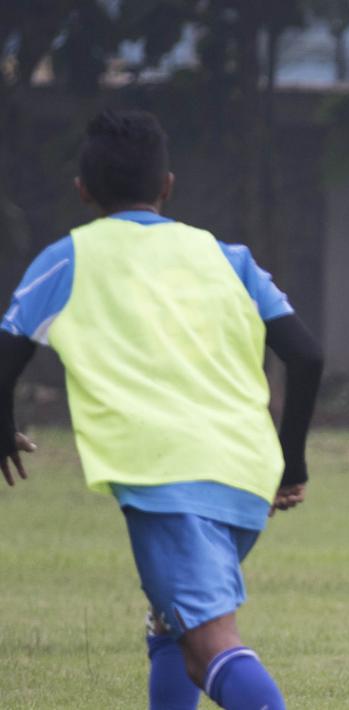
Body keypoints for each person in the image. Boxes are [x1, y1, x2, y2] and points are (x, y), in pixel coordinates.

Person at [0, 109, 324, 709]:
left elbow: (5, 352)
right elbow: (305, 356)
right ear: (166, 186)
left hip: (165, 476)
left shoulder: (69, 257)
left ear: (83, 191)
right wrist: (292, 461)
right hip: (245, 474)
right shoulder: (228, 258)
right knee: (172, 624)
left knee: (209, 644)